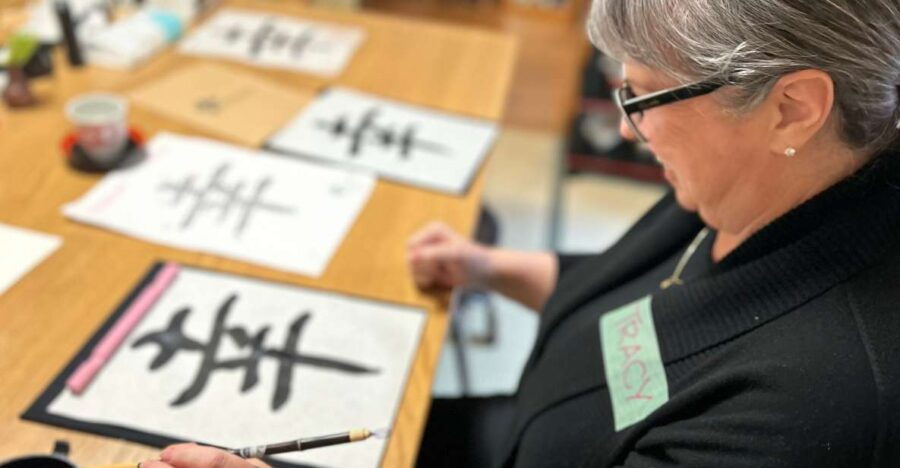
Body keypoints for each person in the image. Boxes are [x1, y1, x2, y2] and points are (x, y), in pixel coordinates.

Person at [143, 0, 900, 466]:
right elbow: (646, 303)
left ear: (792, 108)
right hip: (518, 422)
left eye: (643, 97)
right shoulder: (765, 181)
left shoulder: (811, 413)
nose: (626, 128)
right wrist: (494, 267)